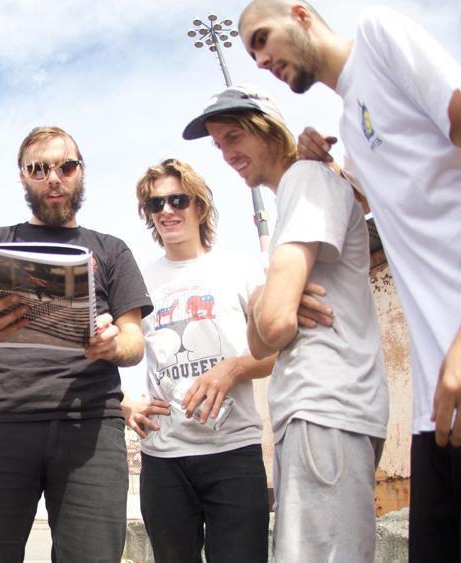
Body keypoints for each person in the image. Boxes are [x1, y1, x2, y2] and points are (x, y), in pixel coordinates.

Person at [238, 2, 461, 561]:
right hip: (439, 407)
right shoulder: (350, 123)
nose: (260, 58)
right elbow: (399, 201)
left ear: (300, 14)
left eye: (262, 38)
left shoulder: (381, 37)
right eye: (250, 52)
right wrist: (328, 164)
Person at [184, 85, 389, 560]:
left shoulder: (305, 180)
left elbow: (273, 327)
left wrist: (264, 303)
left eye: (235, 136)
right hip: (322, 411)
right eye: (219, 145)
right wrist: (265, 302)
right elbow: (263, 344)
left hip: (324, 406)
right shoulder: (303, 190)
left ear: (270, 131)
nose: (228, 154)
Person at [0, 126, 153, 562]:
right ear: (22, 176)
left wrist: (113, 345)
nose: (53, 178)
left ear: (81, 172)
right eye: (38, 169)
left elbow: (134, 340)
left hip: (90, 426)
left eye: (66, 166)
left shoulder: (111, 250)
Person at [127, 158, 273, 562]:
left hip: (233, 450)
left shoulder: (241, 268)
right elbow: (117, 345)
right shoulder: (138, 280)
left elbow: (277, 351)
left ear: (200, 206)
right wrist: (124, 401)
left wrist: (234, 368)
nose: (167, 211)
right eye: (156, 205)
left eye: (178, 199)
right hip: (163, 458)